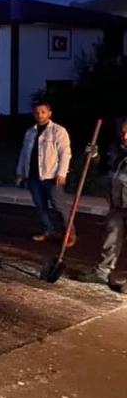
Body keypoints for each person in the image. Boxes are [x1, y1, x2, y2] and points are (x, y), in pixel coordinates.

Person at [77, 119, 127, 292]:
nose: (125, 137)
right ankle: (102, 273)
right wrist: (94, 157)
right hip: (117, 205)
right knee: (112, 237)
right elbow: (104, 169)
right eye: (123, 132)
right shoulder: (116, 149)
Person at [16, 102, 75, 245]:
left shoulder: (58, 131)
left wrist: (62, 173)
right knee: (40, 205)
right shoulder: (30, 132)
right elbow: (24, 153)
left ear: (49, 113)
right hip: (33, 176)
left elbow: (65, 153)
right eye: (37, 112)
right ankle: (47, 231)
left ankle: (69, 233)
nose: (40, 115)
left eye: (43, 112)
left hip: (51, 176)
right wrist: (20, 173)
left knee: (58, 205)